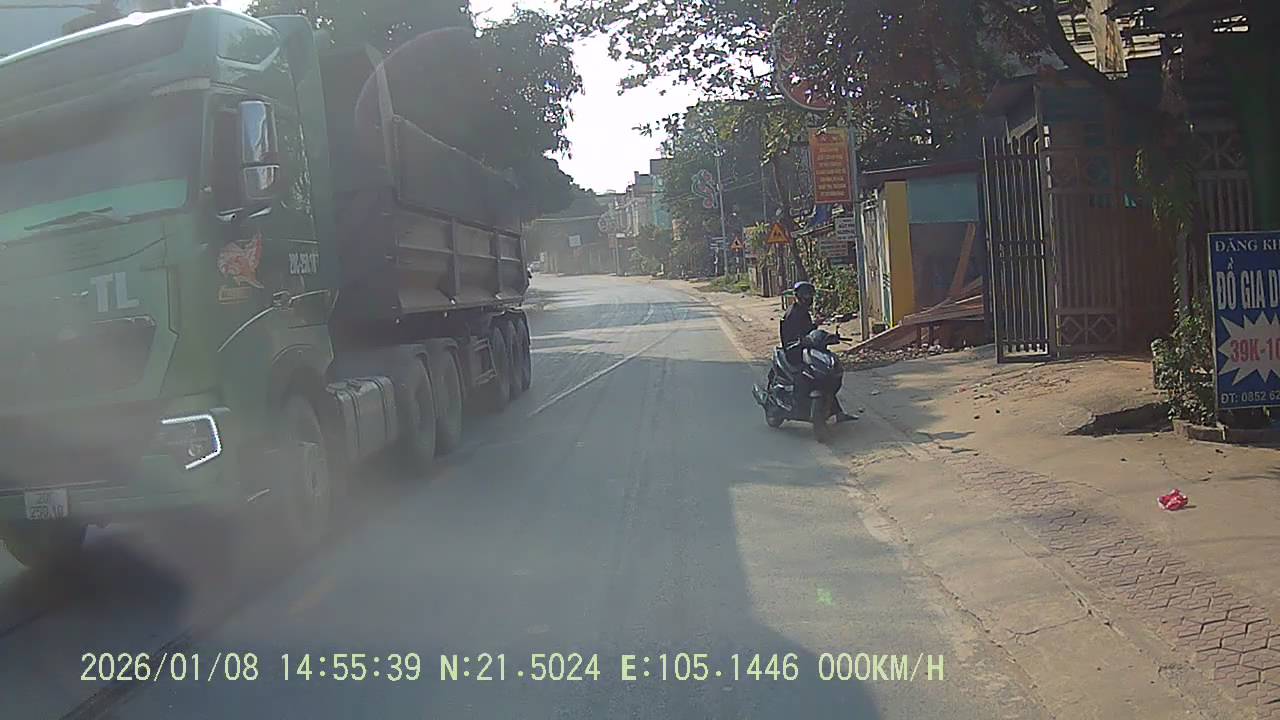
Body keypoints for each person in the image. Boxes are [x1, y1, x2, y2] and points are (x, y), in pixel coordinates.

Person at [778, 281, 857, 423]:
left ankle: (838, 412)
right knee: (805, 376)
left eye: (810, 294)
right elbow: (794, 336)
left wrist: (821, 331)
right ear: (798, 296)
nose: (808, 297)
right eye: (805, 294)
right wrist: (801, 341)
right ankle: (797, 403)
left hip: (806, 348)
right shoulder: (793, 313)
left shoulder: (803, 312)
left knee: (825, 375)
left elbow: (809, 331)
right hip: (795, 352)